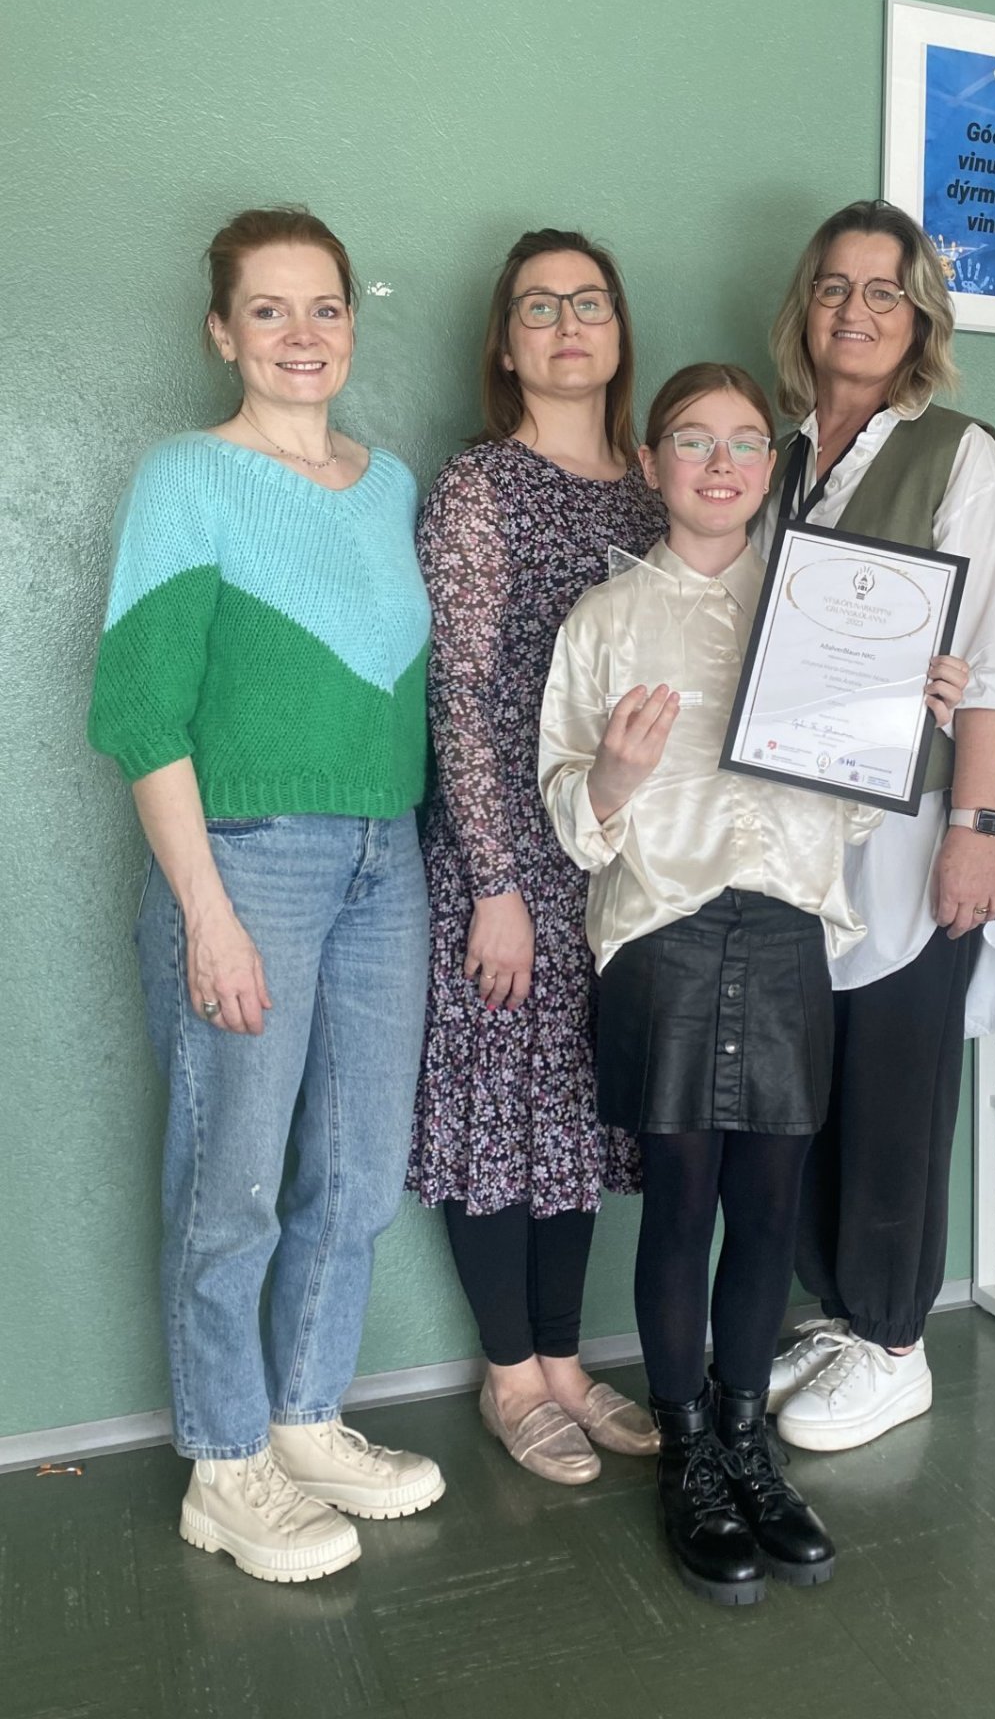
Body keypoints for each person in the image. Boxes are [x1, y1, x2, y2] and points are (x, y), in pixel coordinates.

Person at [539, 362, 966, 1604]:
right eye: (691, 440)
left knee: (769, 1205)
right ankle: (688, 1452)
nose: (720, 463)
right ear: (652, 462)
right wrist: (612, 778)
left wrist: (912, 714)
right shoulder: (605, 617)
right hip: (663, 931)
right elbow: (571, 812)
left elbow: (858, 798)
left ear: (772, 467)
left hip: (788, 928)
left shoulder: (827, 610)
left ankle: (746, 1441)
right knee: (681, 1198)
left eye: (742, 441)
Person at [87, 207, 444, 1583]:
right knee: (231, 1178)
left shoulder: (389, 482)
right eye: (270, 310)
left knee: (355, 1170)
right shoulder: (186, 477)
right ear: (221, 333)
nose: (303, 335)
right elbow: (141, 713)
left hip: (386, 857)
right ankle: (224, 1462)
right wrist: (207, 909)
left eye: (325, 307)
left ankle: (302, 1418)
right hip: (247, 857)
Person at [761, 199, 995, 1451]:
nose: (857, 310)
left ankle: (893, 1342)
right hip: (803, 831)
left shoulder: (959, 455)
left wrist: (972, 826)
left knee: (897, 1083)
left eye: (886, 290)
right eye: (836, 286)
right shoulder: (779, 456)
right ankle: (838, 1310)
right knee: (818, 1080)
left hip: (924, 820)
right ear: (806, 307)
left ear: (920, 316)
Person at [409, 229, 664, 1483]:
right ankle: (509, 1373)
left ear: (620, 332)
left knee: (573, 1111)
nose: (569, 325)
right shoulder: (480, 487)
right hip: (505, 850)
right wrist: (495, 886)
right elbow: (456, 695)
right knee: (496, 1110)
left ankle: (566, 1358)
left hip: (615, 856)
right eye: (539, 307)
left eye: (591, 302)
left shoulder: (657, 489)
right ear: (506, 345)